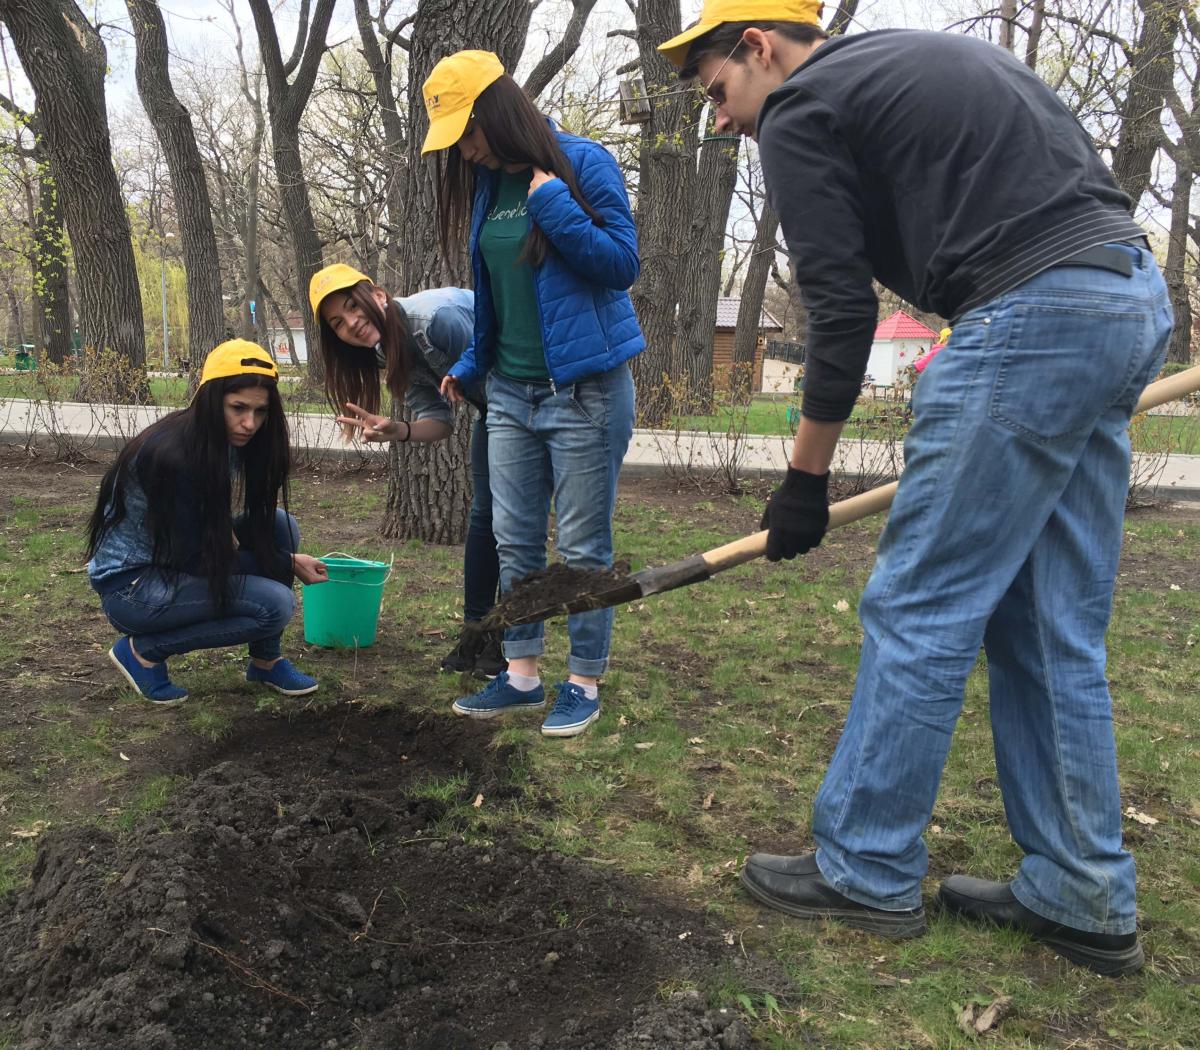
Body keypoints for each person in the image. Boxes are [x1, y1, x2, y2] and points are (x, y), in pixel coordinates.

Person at [660, 2, 1173, 975]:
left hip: (1031, 315)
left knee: (920, 606)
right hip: (1123, 296)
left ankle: (864, 865)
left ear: (758, 49)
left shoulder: (805, 106)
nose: (721, 120)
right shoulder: (912, 60)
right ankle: (1081, 888)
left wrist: (802, 484)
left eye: (720, 93)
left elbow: (842, 313)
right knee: (1046, 621)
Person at [421, 50, 643, 738]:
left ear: (497, 110)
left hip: (583, 393)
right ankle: (520, 675)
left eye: (469, 131)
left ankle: (583, 680)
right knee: (513, 538)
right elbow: (496, 290)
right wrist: (471, 357)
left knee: (582, 546)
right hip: (510, 394)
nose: (465, 149)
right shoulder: (488, 186)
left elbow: (621, 264)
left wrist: (554, 205)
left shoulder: (581, 164)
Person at [87, 340, 328, 705]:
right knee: (276, 604)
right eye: (238, 408)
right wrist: (287, 563)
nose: (250, 423)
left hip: (174, 556)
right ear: (210, 399)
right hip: (133, 586)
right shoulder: (173, 455)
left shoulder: (225, 440)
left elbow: (201, 526)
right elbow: (193, 560)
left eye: (260, 411)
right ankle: (142, 651)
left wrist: (244, 540)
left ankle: (265, 660)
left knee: (280, 526)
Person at [308, 262, 504, 678]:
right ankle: (476, 634)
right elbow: (440, 420)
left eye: (353, 307)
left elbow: (506, 369)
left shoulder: (436, 321)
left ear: (377, 294)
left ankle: (507, 642)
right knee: (483, 520)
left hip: (530, 403)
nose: (352, 324)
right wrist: (395, 429)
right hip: (497, 413)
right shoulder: (389, 350)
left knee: (513, 526)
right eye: (339, 324)